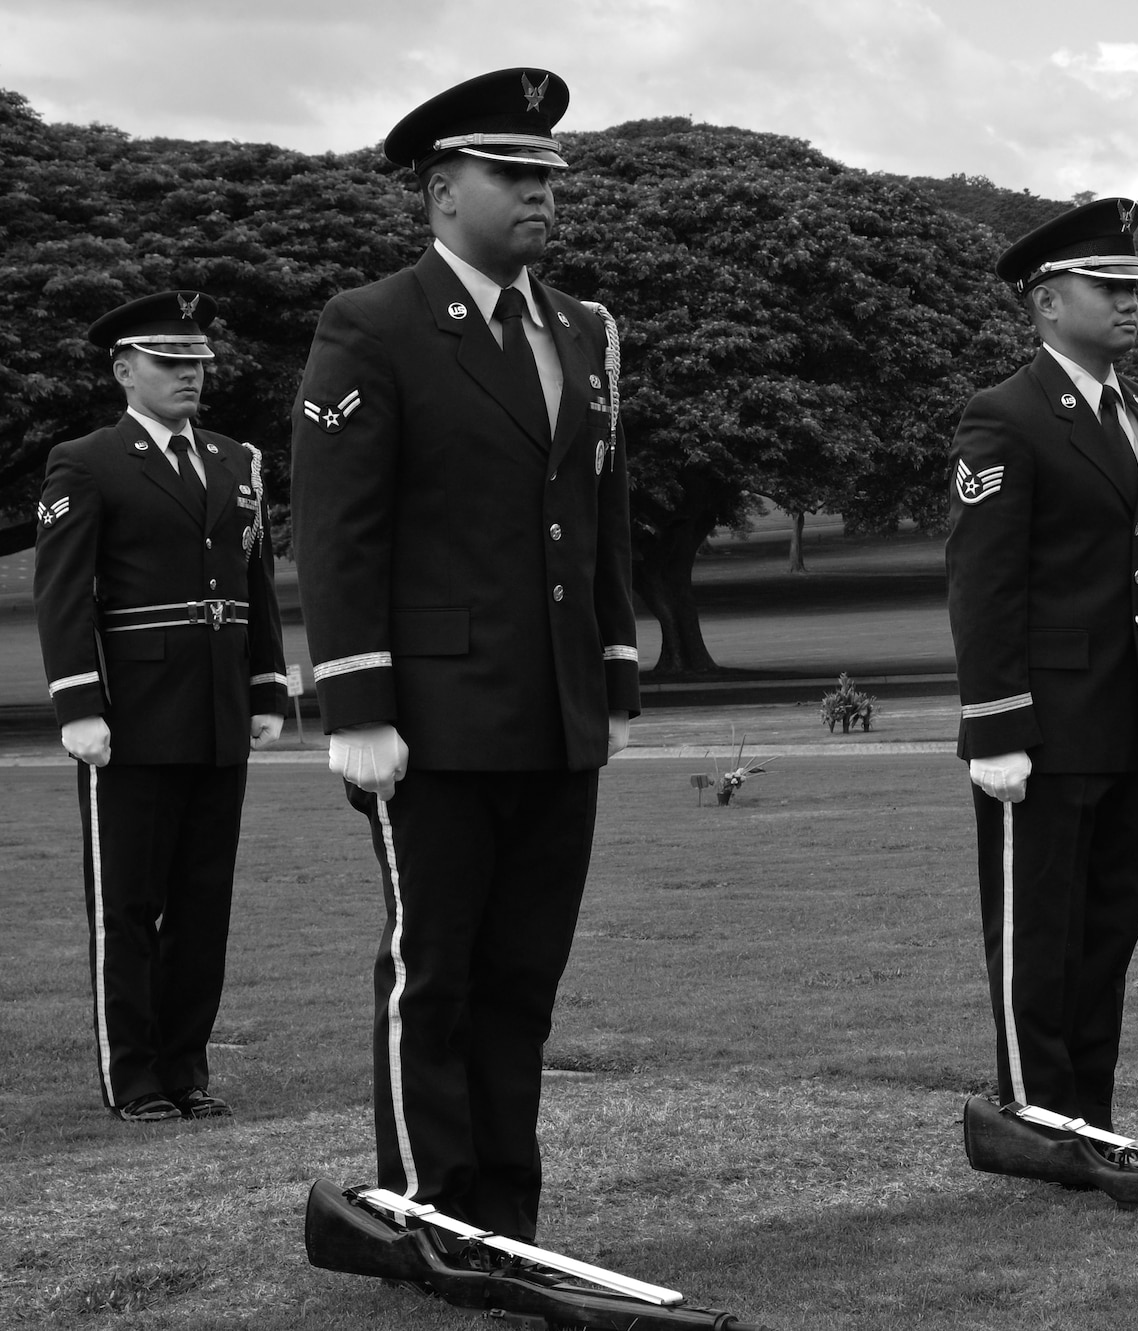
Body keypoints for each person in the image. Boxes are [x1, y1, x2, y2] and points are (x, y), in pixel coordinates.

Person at [290, 67, 639, 1241]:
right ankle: (429, 1204)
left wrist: (610, 668)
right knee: (431, 968)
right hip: (430, 711)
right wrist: (355, 701)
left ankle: (507, 1210)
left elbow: (597, 511)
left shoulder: (581, 328)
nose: (542, 193)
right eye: (513, 173)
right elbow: (340, 526)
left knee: (520, 978)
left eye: (548, 174)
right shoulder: (372, 322)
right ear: (442, 191)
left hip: (551, 708)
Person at [945, 197, 1138, 1131]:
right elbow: (984, 582)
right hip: (1039, 725)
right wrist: (996, 727)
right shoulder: (1005, 415)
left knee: (1108, 929)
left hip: (1120, 723)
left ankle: (1091, 1113)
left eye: (1135, 286)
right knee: (1037, 934)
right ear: (1046, 301)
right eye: (1107, 285)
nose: (1130, 301)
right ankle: (1036, 1115)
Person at [33, 290, 288, 1123]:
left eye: (199, 363)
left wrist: (266, 685)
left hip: (217, 712)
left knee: (203, 905)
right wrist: (79, 703)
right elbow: (63, 593)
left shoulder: (232, 459)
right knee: (129, 905)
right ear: (124, 369)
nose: (192, 376)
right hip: (132, 718)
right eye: (172, 363)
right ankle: (134, 1075)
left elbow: (255, 583)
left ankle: (187, 1067)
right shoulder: (87, 460)